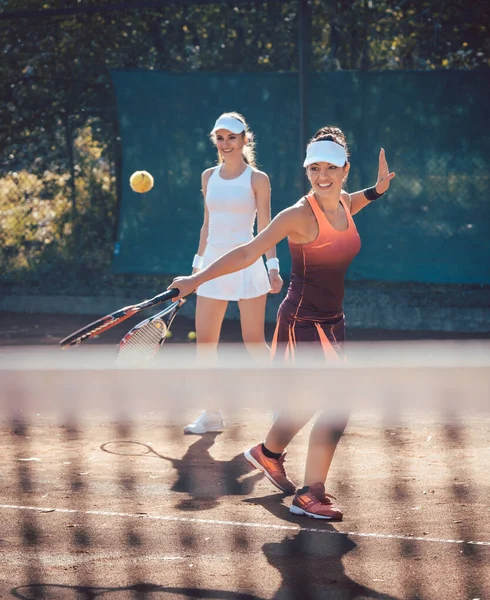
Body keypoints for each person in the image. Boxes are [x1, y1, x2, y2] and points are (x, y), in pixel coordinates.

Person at [169, 126, 395, 519]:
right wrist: (196, 279)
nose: (322, 176)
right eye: (314, 168)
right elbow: (247, 252)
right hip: (302, 323)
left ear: (345, 169)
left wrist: (376, 190)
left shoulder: (342, 202)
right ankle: (309, 494)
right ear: (306, 170)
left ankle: (267, 453)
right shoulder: (297, 215)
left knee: (309, 403)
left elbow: (355, 201)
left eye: (330, 167)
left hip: (333, 321)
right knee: (337, 404)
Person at [184, 112, 283, 435]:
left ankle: (279, 403)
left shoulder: (258, 179)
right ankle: (211, 414)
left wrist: (273, 268)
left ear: (244, 140)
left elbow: (266, 227)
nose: (225, 144)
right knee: (205, 345)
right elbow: (207, 225)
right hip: (212, 266)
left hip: (247, 262)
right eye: (220, 138)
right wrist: (197, 268)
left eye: (232, 137)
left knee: (254, 341)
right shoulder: (207, 176)